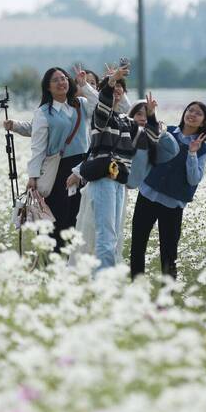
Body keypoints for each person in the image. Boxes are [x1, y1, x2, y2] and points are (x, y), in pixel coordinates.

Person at [23, 66, 125, 253]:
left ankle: (74, 260)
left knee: (80, 215)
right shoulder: (44, 112)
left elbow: (102, 105)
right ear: (48, 87)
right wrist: (33, 176)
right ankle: (51, 259)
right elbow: (38, 147)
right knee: (56, 217)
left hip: (82, 166)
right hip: (58, 168)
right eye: (55, 80)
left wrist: (84, 84)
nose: (61, 82)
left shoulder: (81, 103)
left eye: (63, 78)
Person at [66, 69, 160, 272]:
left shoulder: (127, 122)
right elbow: (103, 104)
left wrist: (151, 117)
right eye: (113, 89)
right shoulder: (101, 119)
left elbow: (150, 139)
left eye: (120, 89)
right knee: (106, 236)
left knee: (114, 235)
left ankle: (104, 281)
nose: (117, 91)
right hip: (104, 178)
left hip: (118, 181)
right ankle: (103, 283)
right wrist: (111, 82)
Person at [73, 100, 179, 259]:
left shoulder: (149, 141)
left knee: (112, 234)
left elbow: (172, 150)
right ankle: (87, 270)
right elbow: (96, 153)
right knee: (92, 230)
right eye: (138, 114)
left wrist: (157, 126)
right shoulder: (120, 131)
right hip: (102, 183)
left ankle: (104, 270)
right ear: (130, 116)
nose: (142, 118)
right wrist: (76, 172)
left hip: (121, 187)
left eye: (146, 114)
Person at [129, 101, 206, 280]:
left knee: (169, 253)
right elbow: (150, 148)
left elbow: (194, 179)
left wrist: (192, 153)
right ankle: (136, 290)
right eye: (190, 110)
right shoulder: (169, 131)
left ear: (204, 122)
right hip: (148, 194)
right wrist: (151, 115)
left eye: (198, 113)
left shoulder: (202, 148)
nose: (192, 114)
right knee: (137, 245)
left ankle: (166, 299)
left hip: (173, 204)